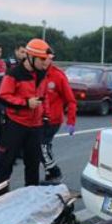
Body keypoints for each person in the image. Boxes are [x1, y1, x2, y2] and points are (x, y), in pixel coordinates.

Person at [0, 38, 48, 189]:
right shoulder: (14, 73)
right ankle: (1, 194)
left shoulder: (42, 73)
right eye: (42, 59)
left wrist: (45, 115)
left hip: (35, 125)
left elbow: (44, 96)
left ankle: (31, 193)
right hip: (15, 124)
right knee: (6, 162)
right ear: (31, 57)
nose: (44, 63)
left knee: (33, 163)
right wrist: (26, 103)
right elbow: (3, 96)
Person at [32, 43, 77, 183]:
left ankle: (54, 173)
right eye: (43, 58)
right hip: (37, 118)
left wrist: (71, 121)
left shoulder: (58, 76)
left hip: (52, 120)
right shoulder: (35, 73)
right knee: (40, 148)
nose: (45, 61)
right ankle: (49, 174)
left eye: (48, 58)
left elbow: (71, 100)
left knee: (42, 146)